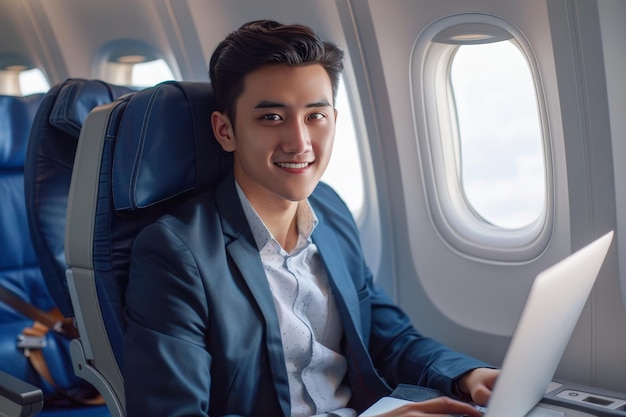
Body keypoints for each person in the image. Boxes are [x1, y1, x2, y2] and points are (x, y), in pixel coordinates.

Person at [123, 19, 499, 417]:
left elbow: (386, 338)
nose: (299, 143)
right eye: (271, 118)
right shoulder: (177, 253)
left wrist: (469, 375)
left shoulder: (331, 211)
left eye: (315, 116)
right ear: (225, 131)